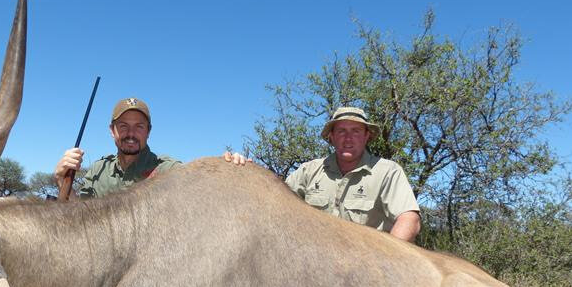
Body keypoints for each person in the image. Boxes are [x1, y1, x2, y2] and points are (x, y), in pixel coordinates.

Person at [54, 97, 248, 198]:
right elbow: (81, 215)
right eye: (123, 126)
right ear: (112, 131)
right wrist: (62, 179)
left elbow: (203, 186)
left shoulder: (167, 169)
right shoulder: (98, 170)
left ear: (148, 131)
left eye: (139, 126)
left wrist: (230, 170)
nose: (131, 133)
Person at [285, 107, 421, 242]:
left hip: (367, 260)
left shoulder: (388, 171)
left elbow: (409, 219)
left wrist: (384, 259)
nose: (348, 138)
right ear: (332, 136)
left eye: (356, 131)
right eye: (341, 131)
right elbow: (279, 203)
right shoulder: (308, 171)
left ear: (366, 136)